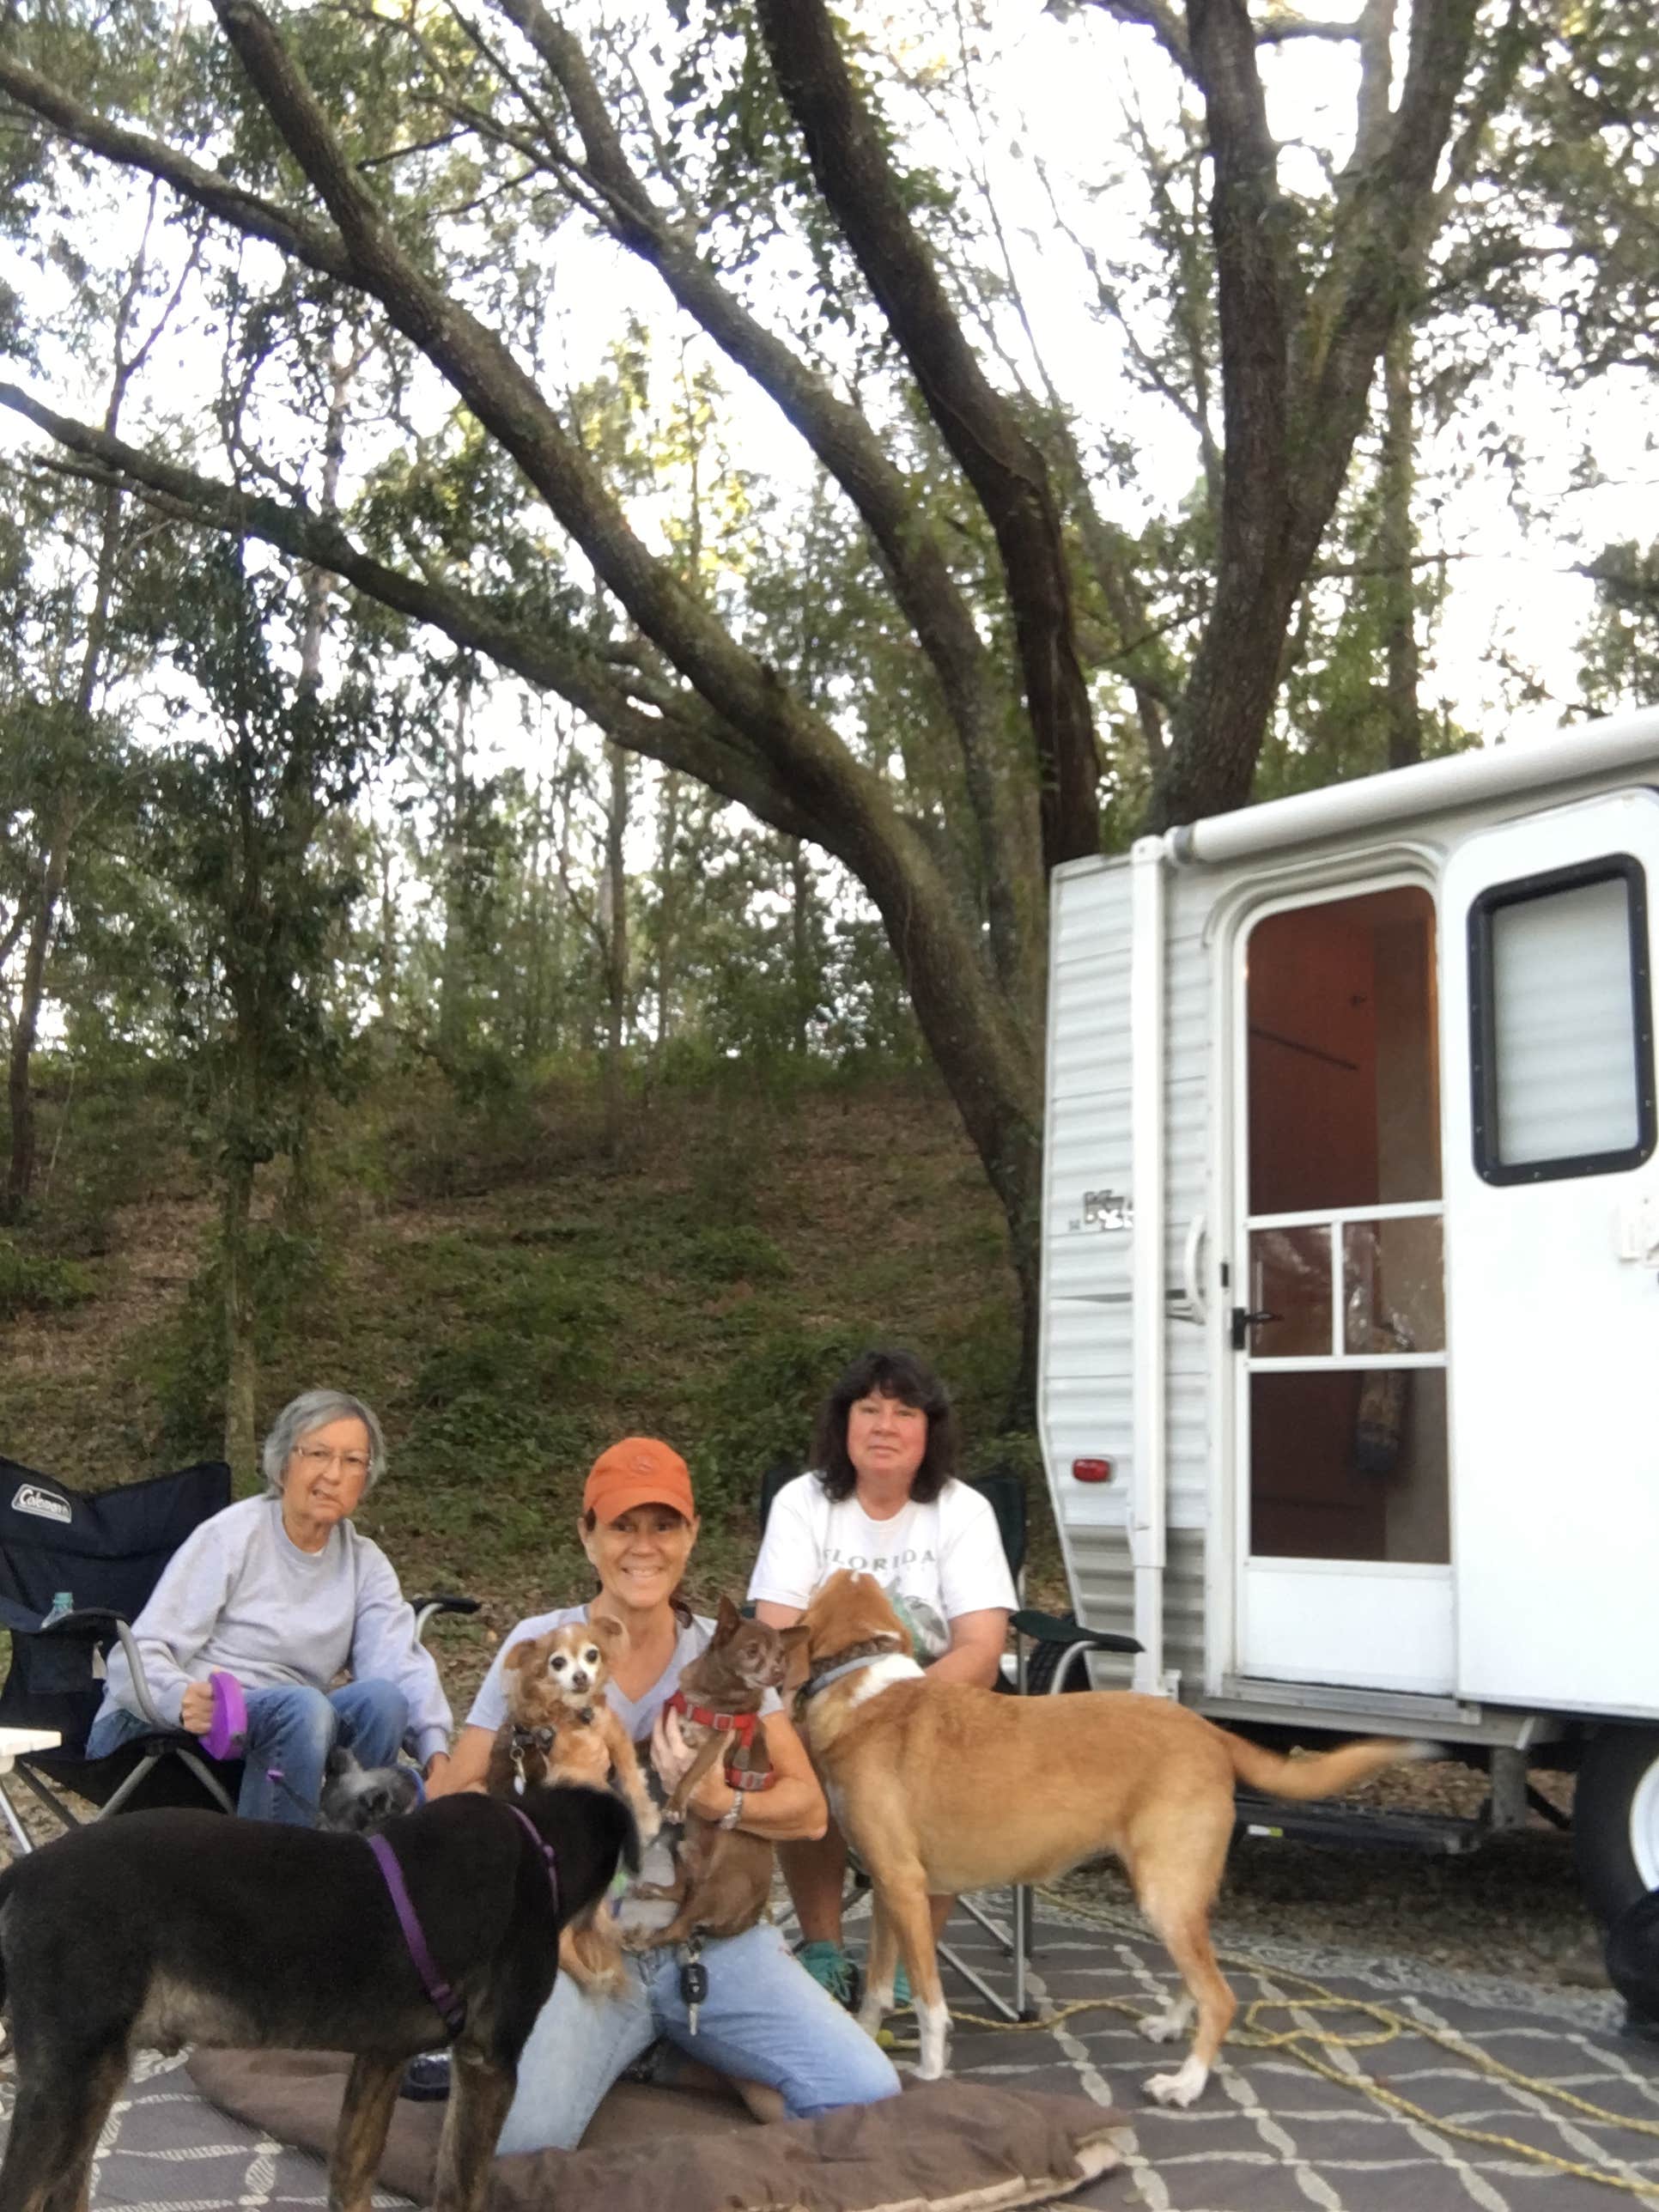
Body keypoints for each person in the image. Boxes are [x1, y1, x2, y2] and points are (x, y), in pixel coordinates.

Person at [428, 1434, 900, 2149]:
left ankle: (667, 2052)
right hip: (584, 1944)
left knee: (866, 2096)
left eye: (664, 1525)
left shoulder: (729, 1651)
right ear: (587, 1535)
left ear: (692, 1536)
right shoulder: (540, 1641)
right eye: (622, 1525)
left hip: (712, 1948)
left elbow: (808, 1814)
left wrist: (718, 1801)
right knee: (522, 2141)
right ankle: (656, 2050)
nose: (643, 1547)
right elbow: (457, 1794)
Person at [747, 1348, 1016, 2004]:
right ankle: (824, 1950)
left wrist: (896, 1716)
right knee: (799, 1749)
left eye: (903, 1412)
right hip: (826, 1700)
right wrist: (846, 1719)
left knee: (951, 1766)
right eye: (869, 1410)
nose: (885, 1426)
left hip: (936, 1703)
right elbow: (782, 1637)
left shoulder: (964, 1511)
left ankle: (905, 1961)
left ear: (930, 1430)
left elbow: (981, 1648)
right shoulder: (803, 1503)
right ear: (845, 1425)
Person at [86, 1389, 453, 1820]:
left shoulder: (364, 1563)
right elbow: (136, 1656)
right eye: (318, 1453)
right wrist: (179, 1697)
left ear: (366, 1479)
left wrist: (436, 1750)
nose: (334, 1474)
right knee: (304, 1706)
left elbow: (397, 1663)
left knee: (383, 1701)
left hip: (292, 1729)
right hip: (176, 1725)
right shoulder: (230, 1538)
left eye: (353, 1461)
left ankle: (348, 1855)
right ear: (283, 1465)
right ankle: (275, 1873)